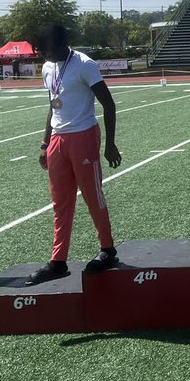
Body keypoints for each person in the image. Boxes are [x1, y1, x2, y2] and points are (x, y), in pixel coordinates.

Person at [25, 23, 122, 286]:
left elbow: (109, 104)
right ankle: (58, 261)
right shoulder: (48, 68)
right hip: (58, 140)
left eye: (42, 49)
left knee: (93, 197)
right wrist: (45, 143)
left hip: (84, 136)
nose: (40, 55)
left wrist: (110, 144)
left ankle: (108, 249)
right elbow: (53, 104)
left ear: (57, 45)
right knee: (60, 202)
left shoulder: (84, 64)